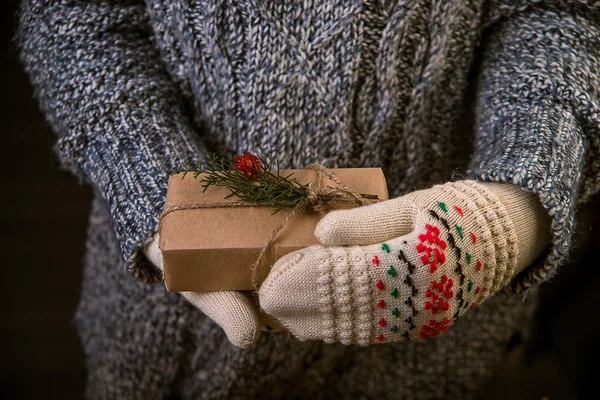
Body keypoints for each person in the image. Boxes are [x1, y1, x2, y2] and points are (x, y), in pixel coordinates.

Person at [18, 0, 599, 398]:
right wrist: (148, 187)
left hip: (437, 319)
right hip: (163, 343)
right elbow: (76, 19)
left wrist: (515, 201)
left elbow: (561, 17)